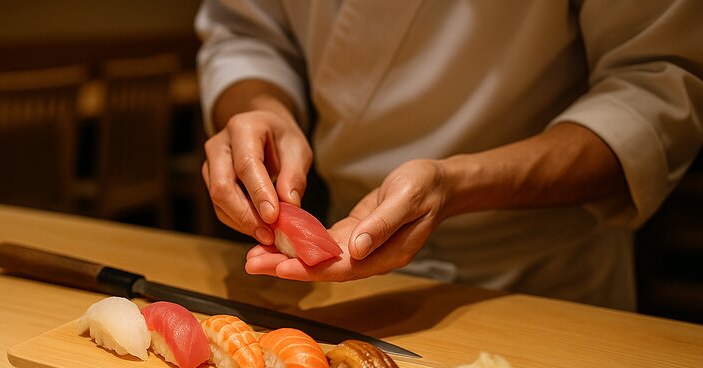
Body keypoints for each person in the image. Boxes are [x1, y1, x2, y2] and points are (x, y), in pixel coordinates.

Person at [194, 0, 702, 311]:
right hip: (344, 273)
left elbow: (654, 88)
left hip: (543, 279)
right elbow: (245, 35)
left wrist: (456, 184)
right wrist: (264, 110)